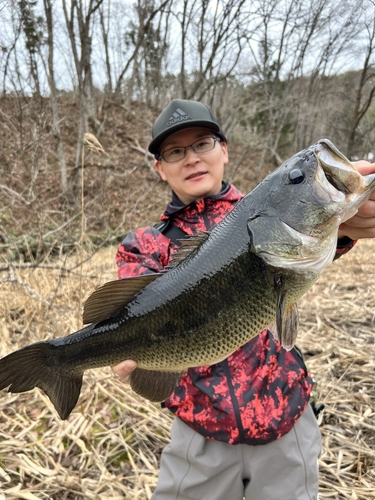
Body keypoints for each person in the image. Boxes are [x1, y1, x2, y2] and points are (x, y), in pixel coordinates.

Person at [112, 99, 375, 500]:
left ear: (224, 149)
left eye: (203, 143)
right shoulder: (144, 245)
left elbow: (303, 248)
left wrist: (340, 224)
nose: (192, 159)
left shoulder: (267, 206)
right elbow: (131, 312)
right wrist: (120, 344)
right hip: (199, 435)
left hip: (287, 418)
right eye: (175, 151)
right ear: (159, 168)